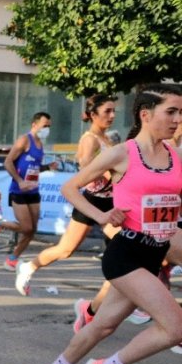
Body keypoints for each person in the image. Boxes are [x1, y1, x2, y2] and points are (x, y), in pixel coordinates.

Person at [27, 84, 182, 364]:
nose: (178, 119)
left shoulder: (176, 157)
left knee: (104, 325)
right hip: (126, 254)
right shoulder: (122, 153)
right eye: (172, 111)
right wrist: (100, 216)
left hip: (156, 251)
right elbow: (69, 187)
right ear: (146, 113)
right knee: (175, 327)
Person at [14, 95, 118, 316]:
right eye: (107, 111)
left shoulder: (108, 139)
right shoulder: (89, 138)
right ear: (93, 114)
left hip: (110, 201)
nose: (112, 116)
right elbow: (85, 167)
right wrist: (110, 172)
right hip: (91, 201)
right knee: (66, 249)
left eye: (114, 111)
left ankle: (107, 303)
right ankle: (29, 266)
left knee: (122, 250)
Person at [0, 112, 57, 270]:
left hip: (33, 191)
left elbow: (33, 167)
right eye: (45, 126)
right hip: (18, 190)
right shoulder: (25, 140)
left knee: (32, 231)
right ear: (34, 124)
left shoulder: (40, 144)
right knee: (27, 228)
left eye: (49, 126)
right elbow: (8, 162)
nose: (47, 129)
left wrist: (47, 167)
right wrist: (20, 181)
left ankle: (12, 259)